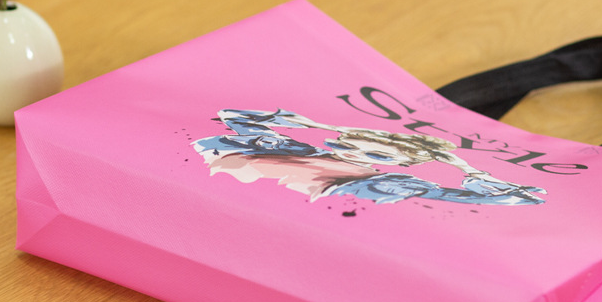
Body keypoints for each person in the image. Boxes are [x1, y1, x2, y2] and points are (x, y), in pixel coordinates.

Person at [193, 108, 547, 206]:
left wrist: (467, 169)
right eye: (348, 145)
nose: (355, 154)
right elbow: (230, 115)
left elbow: (509, 200)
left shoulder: (386, 183)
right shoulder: (287, 146)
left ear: (402, 164)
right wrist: (320, 124)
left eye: (376, 154)